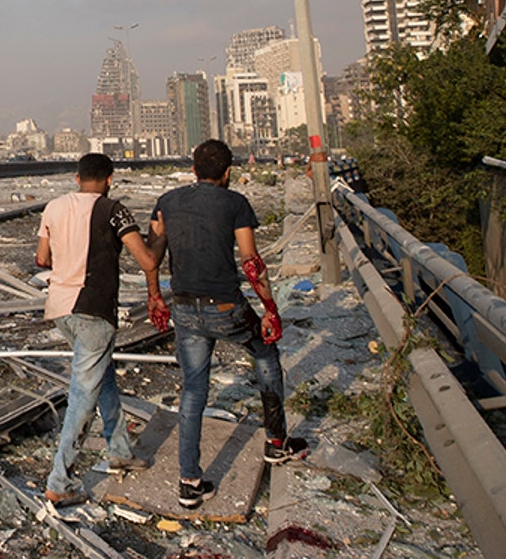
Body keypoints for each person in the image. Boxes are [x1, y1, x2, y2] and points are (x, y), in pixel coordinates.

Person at [148, 139, 308, 510]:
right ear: (227, 172)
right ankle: (277, 442)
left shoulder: (168, 202)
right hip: (227, 306)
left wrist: (155, 296)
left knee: (193, 391)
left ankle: (189, 481)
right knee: (265, 354)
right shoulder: (236, 203)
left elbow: (152, 256)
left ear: (192, 169)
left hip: (185, 308)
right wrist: (270, 309)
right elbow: (251, 261)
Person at [35, 152, 168, 504]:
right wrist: (159, 235)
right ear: (110, 179)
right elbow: (148, 260)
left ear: (76, 178)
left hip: (62, 308)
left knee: (103, 376)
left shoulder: (53, 207)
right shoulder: (114, 209)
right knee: (82, 396)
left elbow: (41, 259)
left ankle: (120, 450)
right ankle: (59, 482)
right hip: (94, 309)